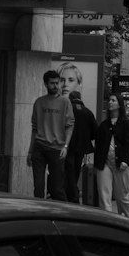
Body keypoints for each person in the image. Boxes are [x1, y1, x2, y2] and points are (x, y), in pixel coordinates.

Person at [27, 70, 74, 201]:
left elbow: (70, 125)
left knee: (57, 188)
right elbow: (34, 128)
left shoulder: (65, 102)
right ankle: (40, 214)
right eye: (52, 83)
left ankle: (60, 215)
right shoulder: (39, 102)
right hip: (39, 146)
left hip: (57, 148)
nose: (56, 86)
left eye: (57, 83)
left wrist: (65, 146)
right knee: (38, 186)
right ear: (46, 84)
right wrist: (30, 151)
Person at [94, 94, 129, 215]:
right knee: (104, 196)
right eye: (109, 100)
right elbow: (98, 145)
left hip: (121, 164)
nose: (110, 102)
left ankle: (128, 220)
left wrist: (125, 160)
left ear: (119, 104)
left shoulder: (126, 124)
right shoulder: (104, 125)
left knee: (123, 197)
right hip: (104, 164)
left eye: (113, 100)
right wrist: (97, 164)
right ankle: (108, 222)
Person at [64, 89, 98, 203]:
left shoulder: (68, 110)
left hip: (68, 146)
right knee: (76, 169)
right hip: (81, 148)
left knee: (69, 170)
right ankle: (73, 193)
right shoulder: (88, 112)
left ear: (70, 98)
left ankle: (72, 195)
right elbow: (95, 131)